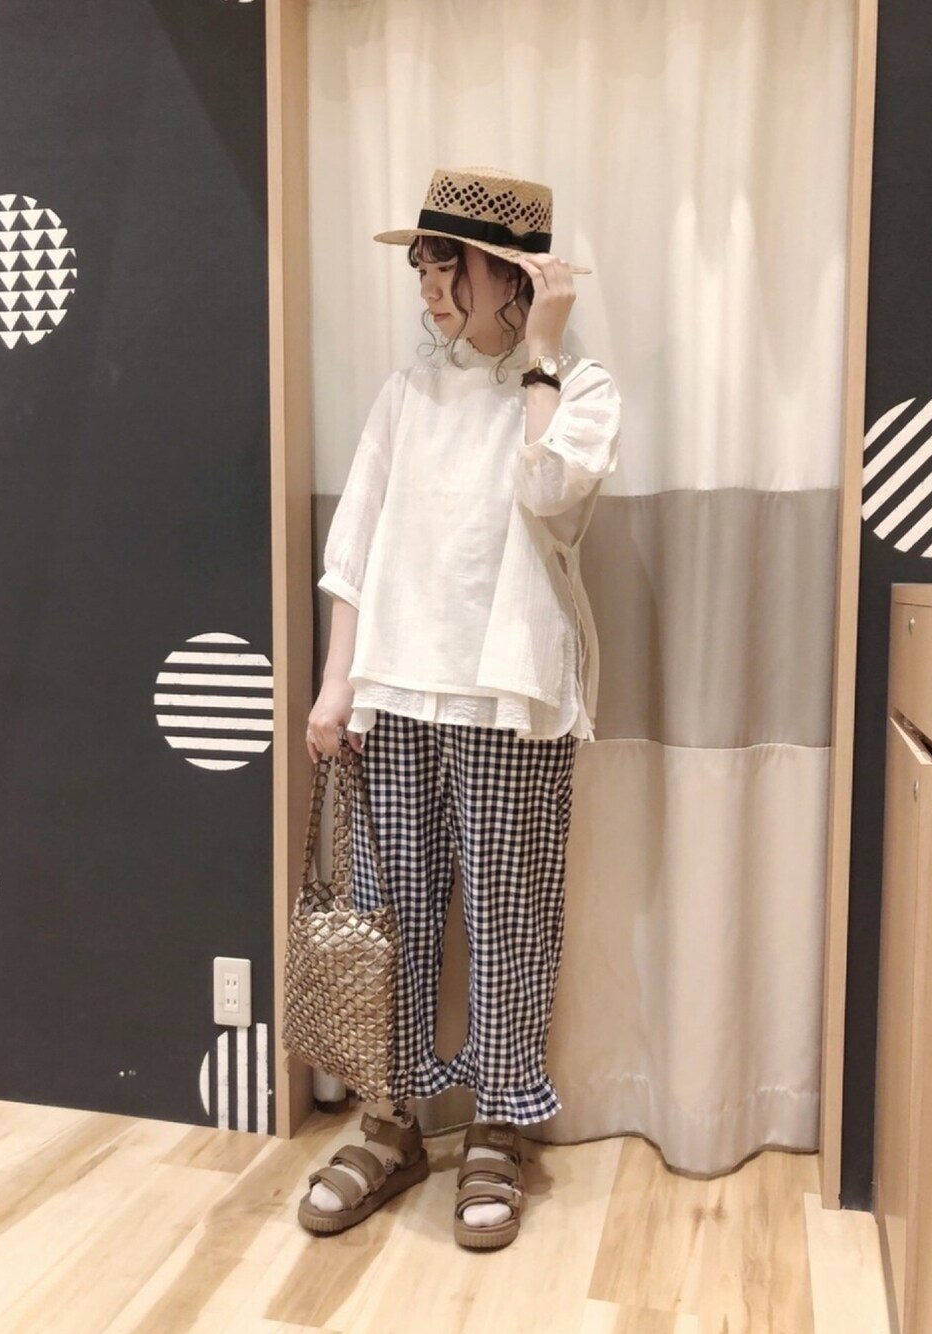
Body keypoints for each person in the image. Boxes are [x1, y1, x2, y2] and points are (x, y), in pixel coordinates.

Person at [297, 166, 621, 1251]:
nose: (430, 288)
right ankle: (391, 1121)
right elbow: (353, 551)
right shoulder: (406, 394)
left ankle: (497, 1126)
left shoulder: (580, 390)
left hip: (510, 693)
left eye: (450, 267)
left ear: (514, 275)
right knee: (388, 915)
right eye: (423, 268)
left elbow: (547, 494)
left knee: (507, 918)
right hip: (395, 690)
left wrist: (545, 355)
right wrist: (336, 683)